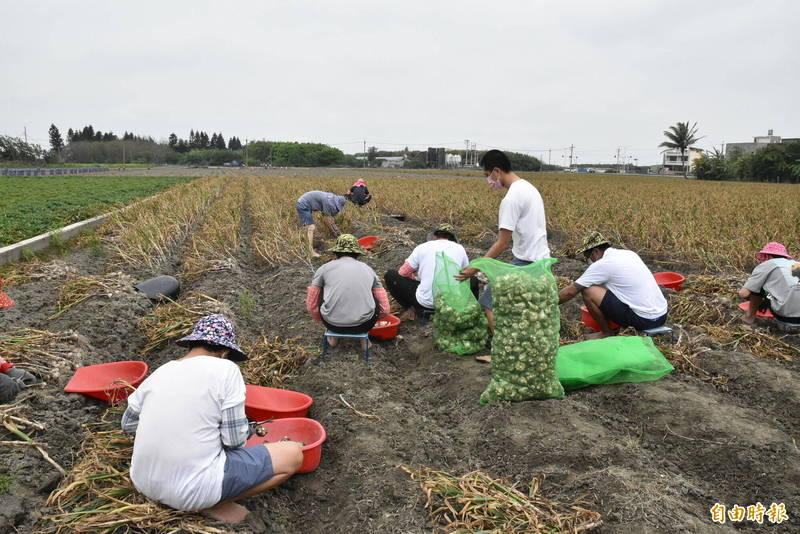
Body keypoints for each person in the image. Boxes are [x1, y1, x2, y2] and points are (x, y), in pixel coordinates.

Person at [121, 315, 303, 524]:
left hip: (144, 482)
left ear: (192, 344)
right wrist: (245, 429)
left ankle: (199, 497)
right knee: (293, 454)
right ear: (224, 351)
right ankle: (212, 503)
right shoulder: (226, 370)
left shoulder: (162, 371)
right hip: (191, 490)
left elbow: (128, 424)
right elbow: (234, 441)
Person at [455, 149, 550, 360]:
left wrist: (475, 268)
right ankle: (525, 350)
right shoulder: (529, 188)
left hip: (527, 263)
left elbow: (502, 242)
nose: (489, 181)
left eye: (487, 175)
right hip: (542, 260)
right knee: (520, 309)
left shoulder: (511, 198)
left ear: (497, 171)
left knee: (489, 301)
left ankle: (501, 353)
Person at [558, 231, 668, 339]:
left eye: (588, 257)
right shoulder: (629, 254)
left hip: (645, 320)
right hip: (661, 316)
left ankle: (606, 333)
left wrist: (547, 303)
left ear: (595, 252)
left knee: (588, 291)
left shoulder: (603, 264)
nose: (589, 261)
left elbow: (570, 292)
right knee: (606, 287)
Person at [306, 234, 390, 348]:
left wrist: (322, 318)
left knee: (320, 291)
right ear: (357, 253)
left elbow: (312, 304)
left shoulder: (324, 269)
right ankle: (364, 341)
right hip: (364, 325)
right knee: (372, 295)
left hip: (332, 324)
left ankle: (333, 338)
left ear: (336, 253)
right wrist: (373, 319)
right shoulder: (368, 269)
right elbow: (385, 309)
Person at [385, 223, 476, 321]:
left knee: (390, 275)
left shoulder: (422, 247)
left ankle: (411, 309)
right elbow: (466, 274)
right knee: (473, 280)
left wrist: (415, 279)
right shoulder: (460, 249)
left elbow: (402, 272)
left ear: (434, 236)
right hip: (451, 303)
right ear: (452, 238)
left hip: (424, 303)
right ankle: (468, 313)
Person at [296, 180, 372, 258]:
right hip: (303, 204)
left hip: (308, 202)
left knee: (310, 227)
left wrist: (336, 231)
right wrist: (337, 234)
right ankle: (310, 252)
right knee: (310, 227)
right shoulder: (329, 203)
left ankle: (309, 246)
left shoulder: (333, 199)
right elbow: (327, 220)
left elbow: (329, 220)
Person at [739, 242, 800, 324]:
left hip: (788, 318)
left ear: (767, 256)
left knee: (758, 286)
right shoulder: (796, 264)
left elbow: (743, 294)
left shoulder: (767, 264)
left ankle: (748, 318)